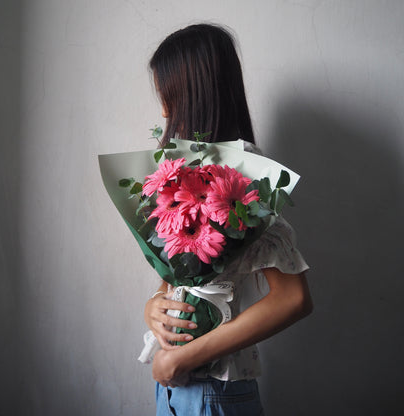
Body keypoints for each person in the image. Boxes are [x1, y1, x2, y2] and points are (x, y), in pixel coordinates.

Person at [144, 23, 313, 415]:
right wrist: (153, 305)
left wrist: (185, 358)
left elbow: (294, 298)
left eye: (166, 94)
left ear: (192, 93)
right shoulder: (183, 170)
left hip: (211, 387)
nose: (164, 110)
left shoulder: (244, 176)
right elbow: (177, 274)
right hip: (175, 386)